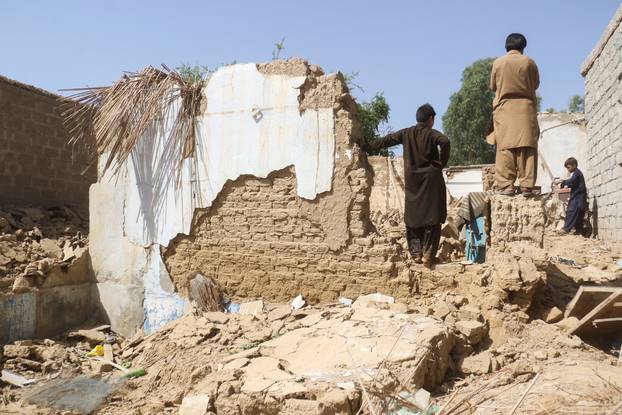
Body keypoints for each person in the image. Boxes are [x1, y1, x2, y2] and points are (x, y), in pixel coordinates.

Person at [361, 104, 450, 269]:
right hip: (431, 179)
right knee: (432, 217)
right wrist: (441, 162)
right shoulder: (431, 134)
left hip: (413, 181)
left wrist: (367, 146)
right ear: (430, 119)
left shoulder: (406, 133)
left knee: (413, 217)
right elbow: (445, 141)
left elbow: (386, 140)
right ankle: (428, 256)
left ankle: (416, 254)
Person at [488, 33, 540, 196]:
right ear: (523, 47)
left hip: (504, 109)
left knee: (505, 147)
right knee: (527, 147)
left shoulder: (498, 63)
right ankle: (527, 185)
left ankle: (506, 185)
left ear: (506, 47)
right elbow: (536, 84)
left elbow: (493, 86)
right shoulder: (530, 63)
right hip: (526, 109)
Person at [559, 157, 587, 235]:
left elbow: (571, 180)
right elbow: (573, 183)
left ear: (574, 165)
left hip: (578, 197)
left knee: (572, 211)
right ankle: (578, 231)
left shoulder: (577, 173)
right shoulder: (576, 173)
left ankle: (566, 229)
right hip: (576, 196)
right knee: (577, 215)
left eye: (568, 167)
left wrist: (563, 183)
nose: (568, 169)